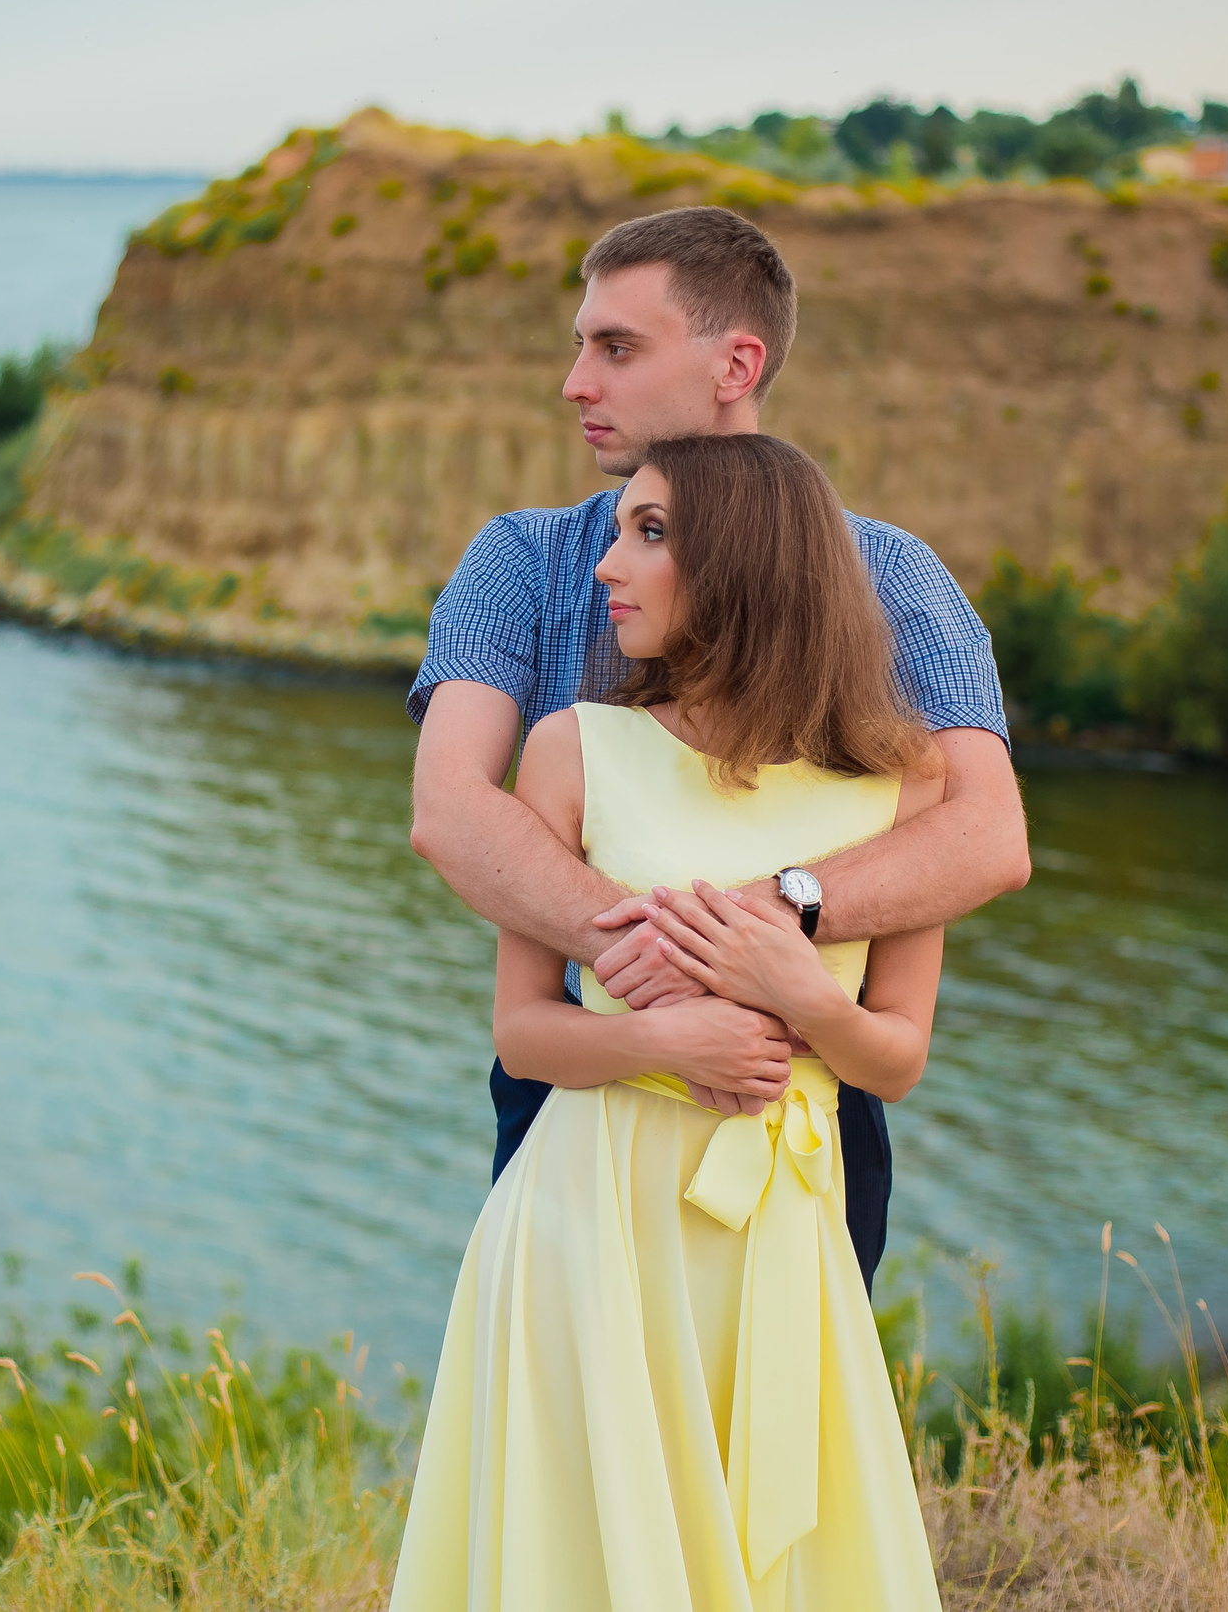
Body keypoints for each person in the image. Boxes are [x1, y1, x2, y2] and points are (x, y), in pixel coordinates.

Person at [406, 205, 1029, 1290]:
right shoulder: (523, 558)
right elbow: (449, 811)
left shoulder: (892, 577)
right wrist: (662, 972)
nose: (576, 382)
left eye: (617, 347)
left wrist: (766, 921)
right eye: (579, 345)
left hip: (801, 1082)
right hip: (581, 1078)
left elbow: (987, 835)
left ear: (736, 364)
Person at [389, 434, 948, 1609]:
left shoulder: (903, 786)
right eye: (617, 530)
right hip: (591, 1211)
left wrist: (799, 989)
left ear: (743, 563)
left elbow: (895, 1058)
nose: (608, 564)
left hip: (783, 1226)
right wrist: (659, 1042)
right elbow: (523, 1031)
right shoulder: (572, 748)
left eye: (649, 533)